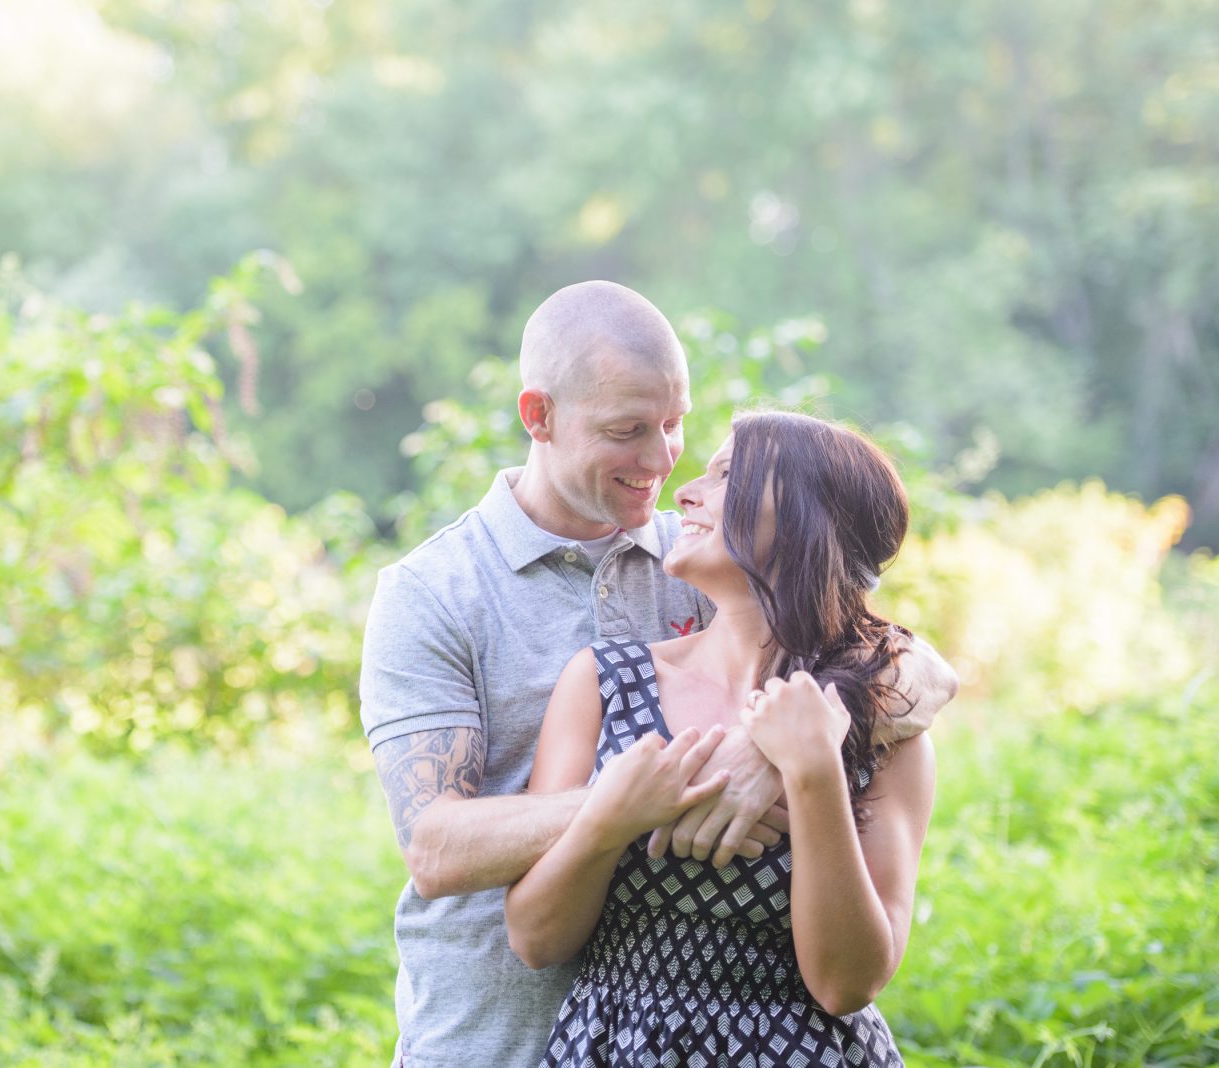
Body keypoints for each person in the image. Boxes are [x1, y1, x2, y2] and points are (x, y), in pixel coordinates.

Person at [359, 281, 957, 1068]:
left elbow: (910, 662)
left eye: (674, 425)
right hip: (494, 1038)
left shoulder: (700, 552)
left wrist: (774, 750)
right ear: (537, 416)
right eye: (627, 430)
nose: (664, 462)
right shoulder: (433, 593)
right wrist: (648, 795)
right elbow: (435, 850)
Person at [506, 411, 935, 1066]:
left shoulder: (883, 725)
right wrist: (608, 819)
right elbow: (536, 941)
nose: (685, 491)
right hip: (618, 1045)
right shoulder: (604, 682)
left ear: (803, 518)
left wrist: (815, 775)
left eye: (728, 473)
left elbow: (846, 983)